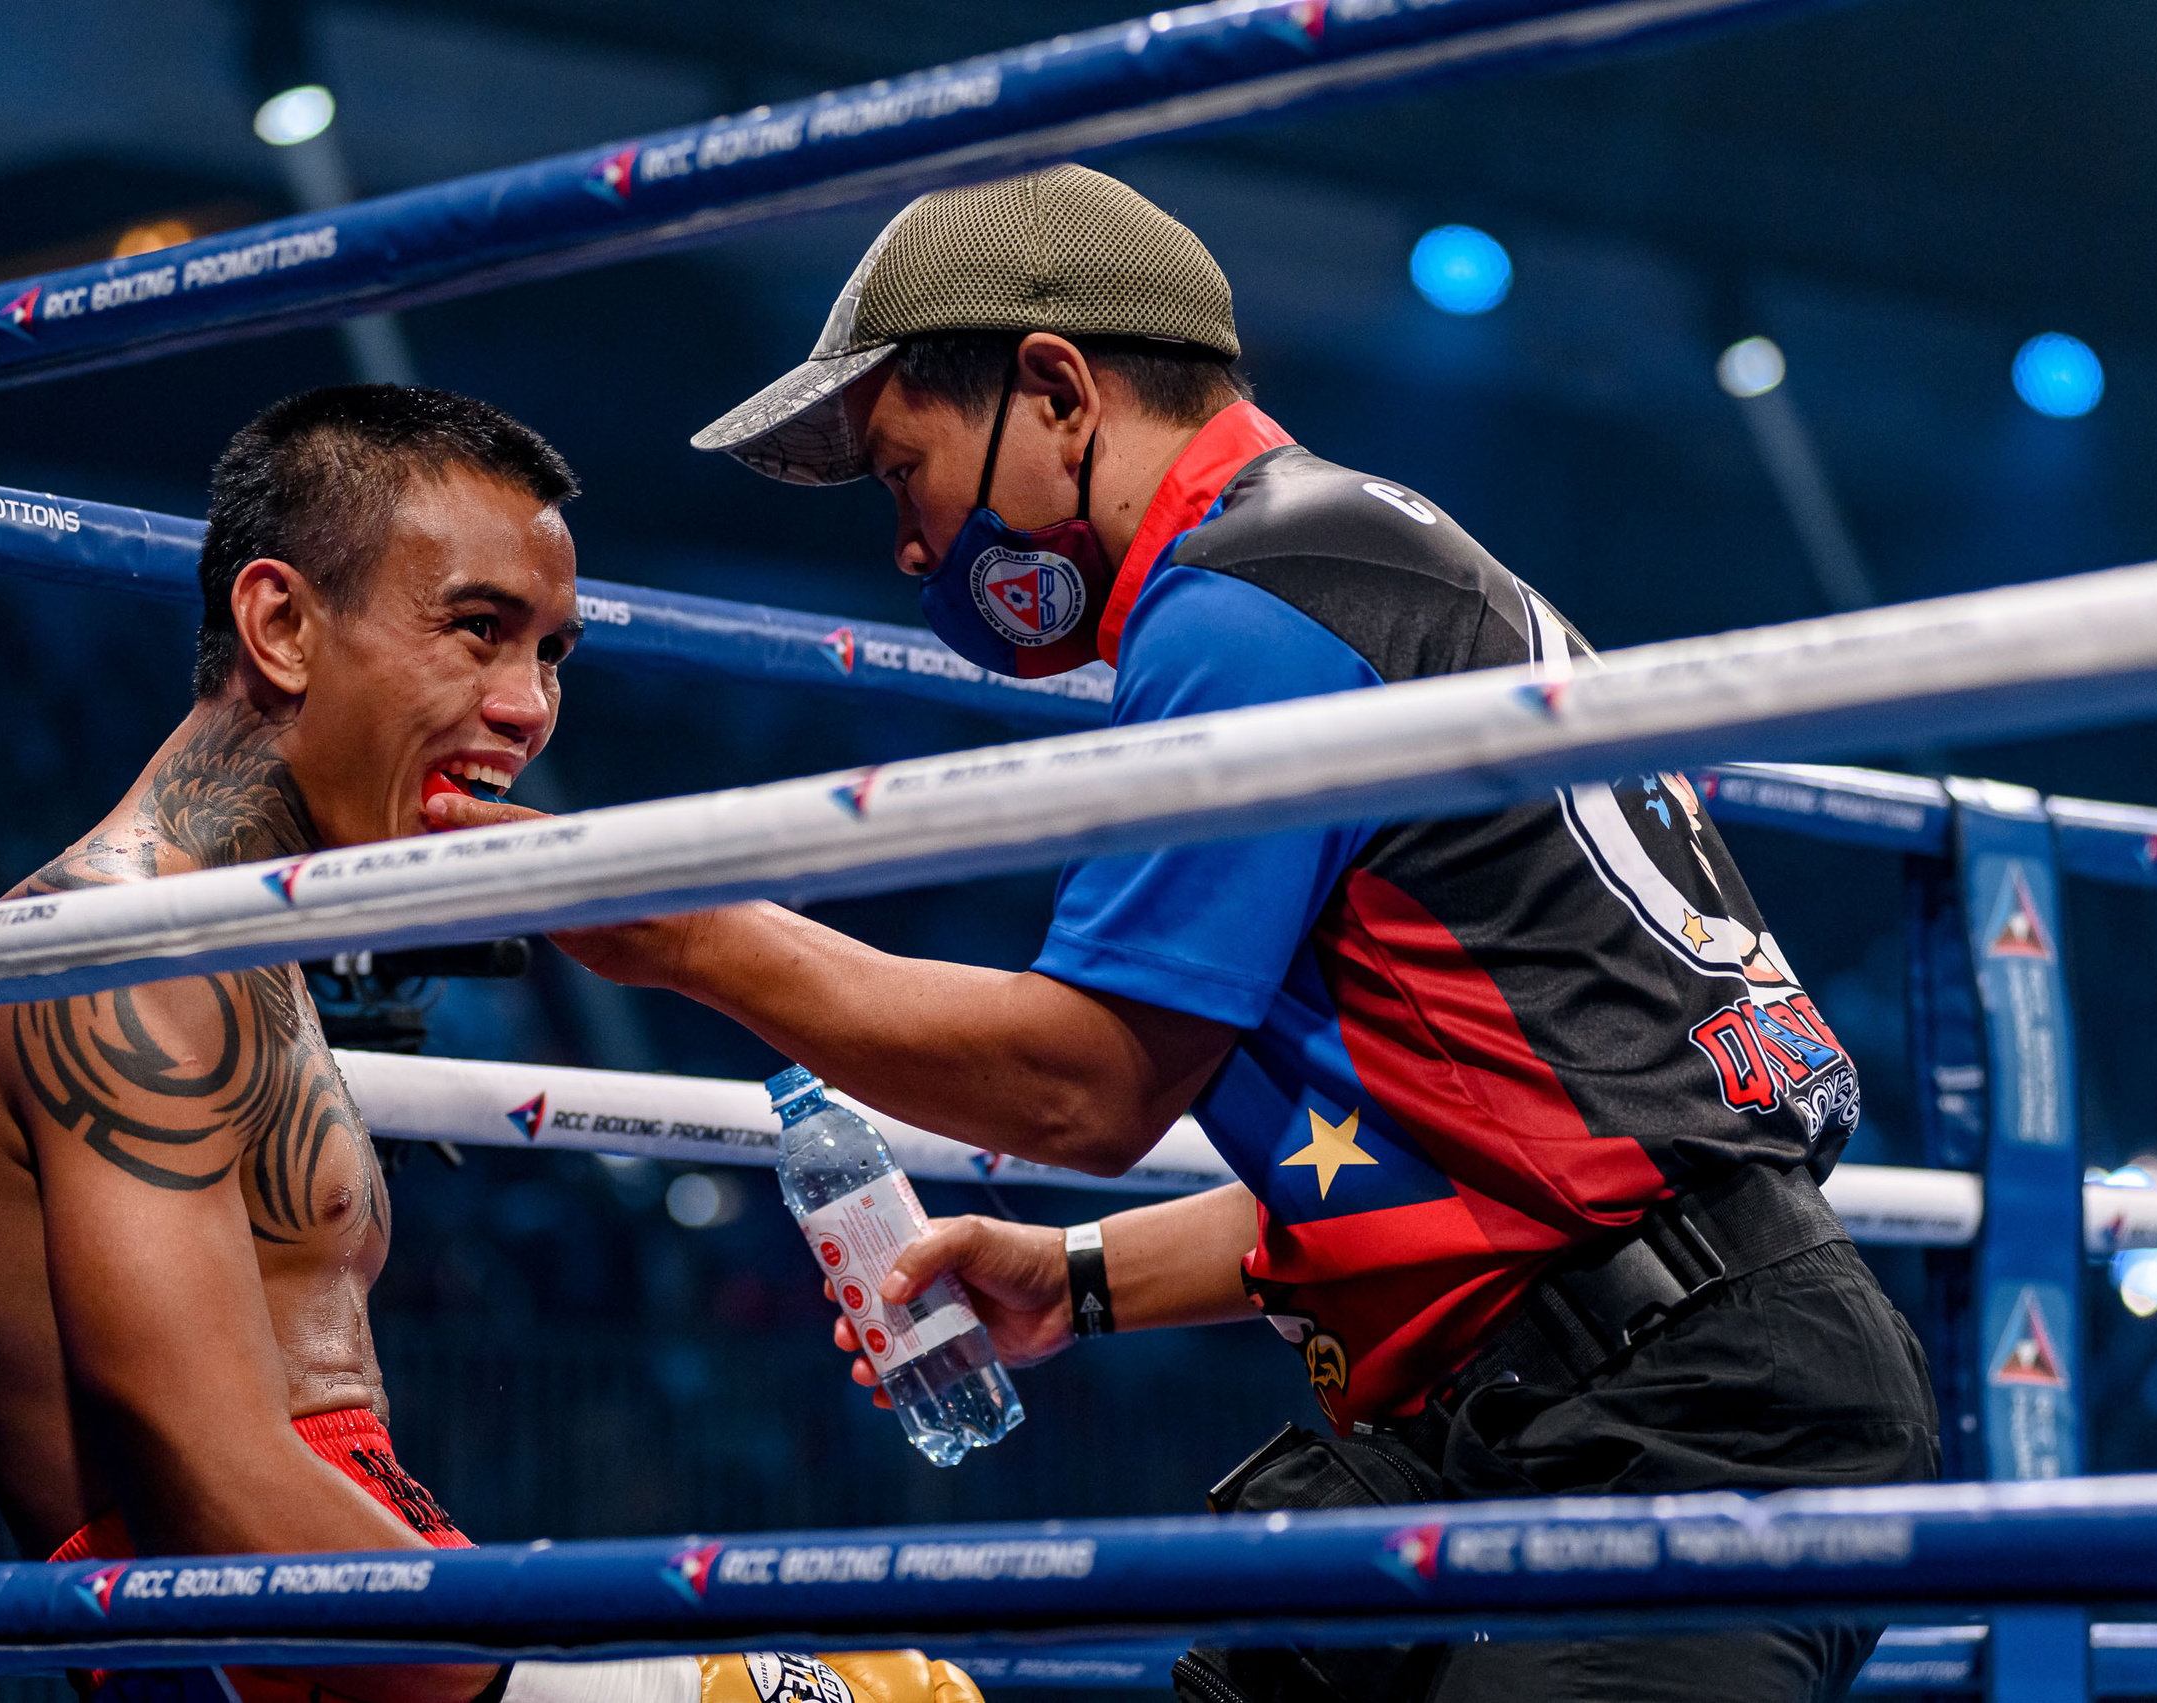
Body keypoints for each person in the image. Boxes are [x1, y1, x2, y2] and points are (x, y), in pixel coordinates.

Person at [556, 168, 1941, 1703]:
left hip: (1681, 1419)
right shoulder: (1337, 558)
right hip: (1566, 1391)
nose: (907, 546)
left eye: (906, 472)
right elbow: (1457, 1157)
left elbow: (1085, 1092)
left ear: (1056, 390)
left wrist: (688, 932)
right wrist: (1070, 1280)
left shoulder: (1244, 605)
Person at [0, 384, 983, 1703]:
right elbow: (215, 1486)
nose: (528, 705)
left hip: (375, 1638)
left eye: (551, 654)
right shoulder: (117, 953)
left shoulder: (241, 946)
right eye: (479, 632)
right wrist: (643, 1695)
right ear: (282, 624)